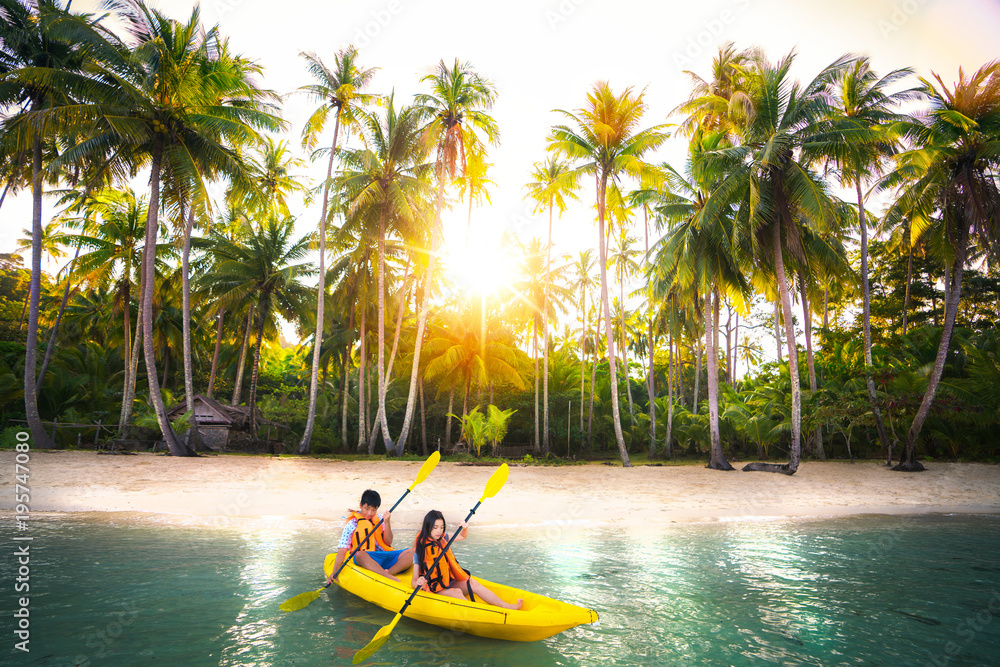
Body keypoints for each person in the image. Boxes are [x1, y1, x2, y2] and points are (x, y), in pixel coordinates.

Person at [411, 510, 523, 610]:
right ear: (427, 527)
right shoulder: (420, 550)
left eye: (441, 527)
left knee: (473, 583)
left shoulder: (443, 538)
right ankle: (477, 614)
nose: (439, 531)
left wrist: (465, 528)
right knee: (457, 592)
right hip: (434, 588)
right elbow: (414, 581)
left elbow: (462, 536)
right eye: (435, 527)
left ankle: (505, 606)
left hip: (448, 582)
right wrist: (419, 583)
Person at [327, 489, 414, 584]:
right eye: (367, 508)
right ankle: (386, 576)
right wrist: (334, 572)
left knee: (413, 551)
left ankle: (390, 572)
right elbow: (342, 549)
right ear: (361, 505)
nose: (369, 513)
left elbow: (388, 542)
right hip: (367, 558)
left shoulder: (381, 519)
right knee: (359, 554)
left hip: (384, 556)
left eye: (374, 510)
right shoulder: (352, 524)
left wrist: (387, 522)